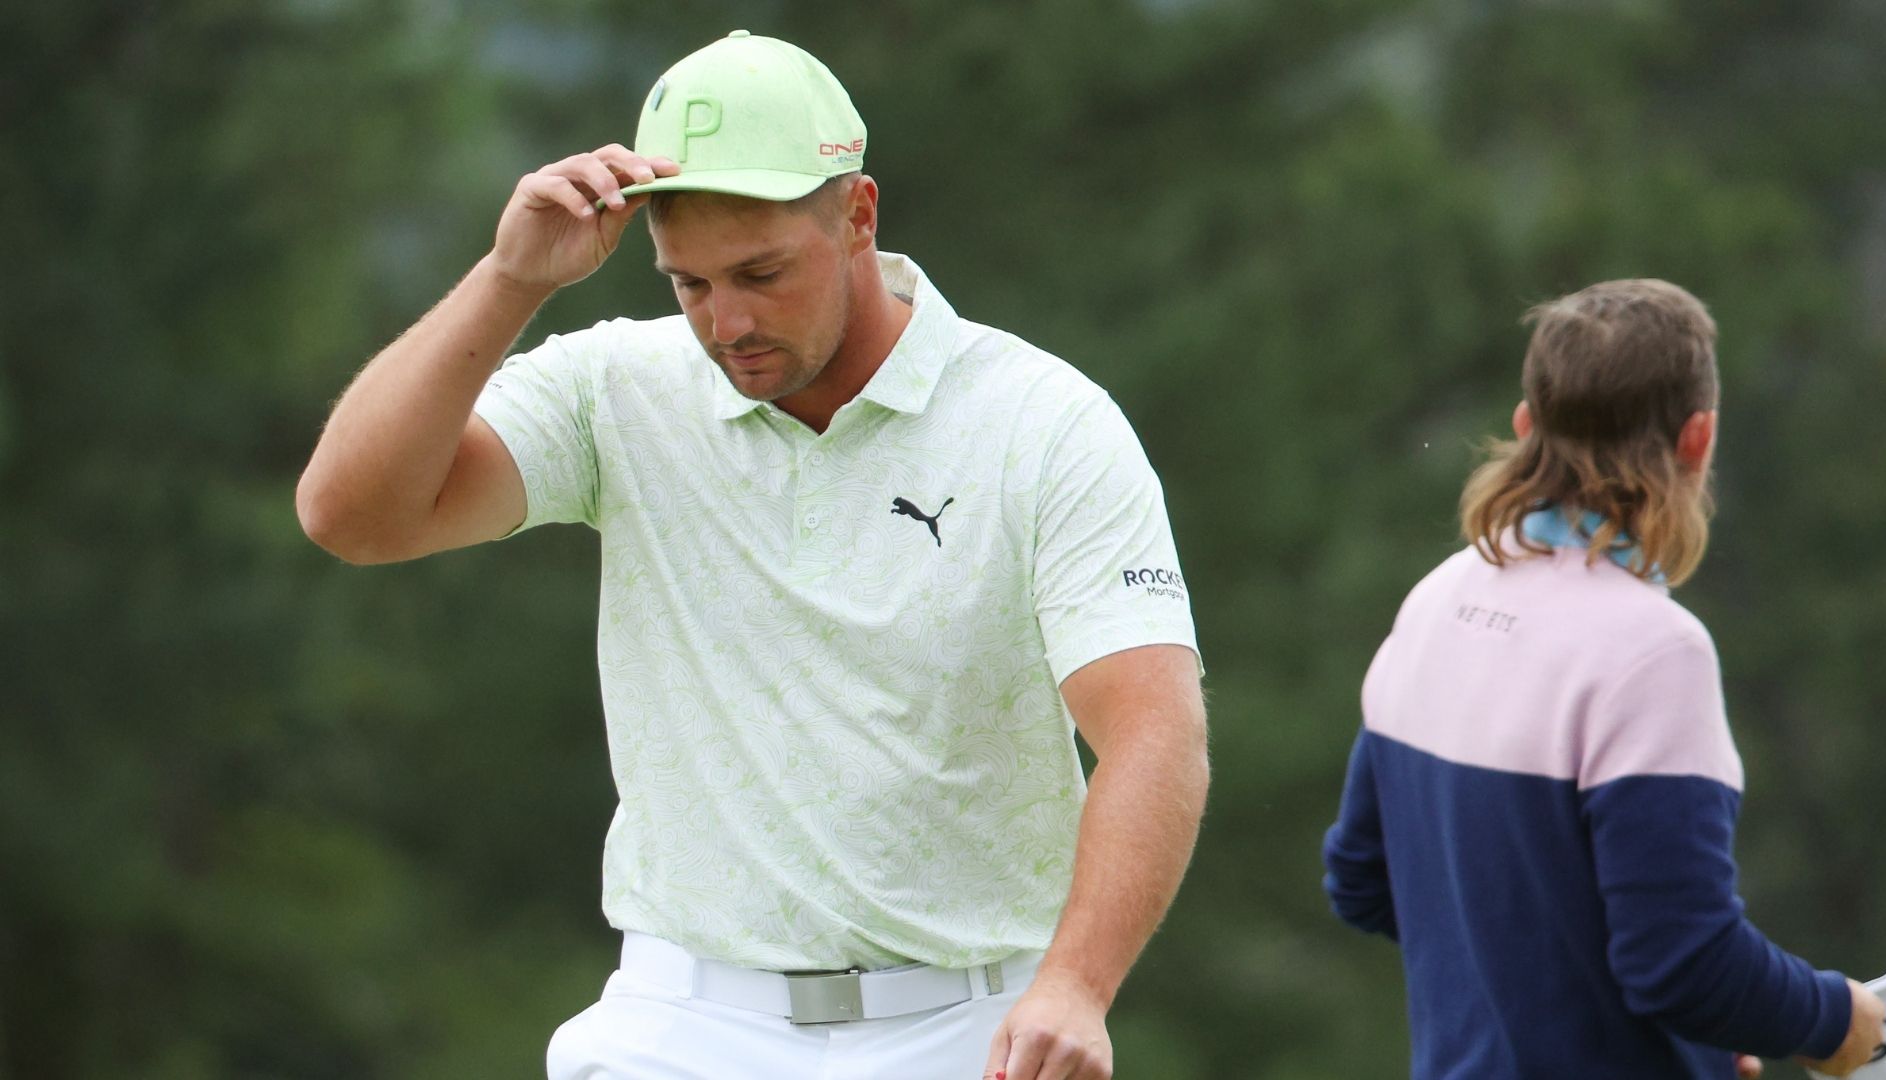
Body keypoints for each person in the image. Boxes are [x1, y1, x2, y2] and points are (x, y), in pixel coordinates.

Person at [295, 29, 1207, 1080]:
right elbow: (352, 516)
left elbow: (1152, 729)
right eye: (688, 284)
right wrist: (510, 281)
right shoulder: (614, 389)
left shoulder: (1044, 424)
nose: (727, 324)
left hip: (969, 1028)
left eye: (760, 274)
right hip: (678, 1023)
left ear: (857, 216)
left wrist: (1078, 986)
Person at [1320, 279, 1886, 1079]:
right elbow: (1683, 962)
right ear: (1699, 439)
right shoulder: (1655, 652)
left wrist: (1688, 1038)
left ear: (1526, 428)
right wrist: (1835, 1019)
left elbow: (1365, 882)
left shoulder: (1437, 599)